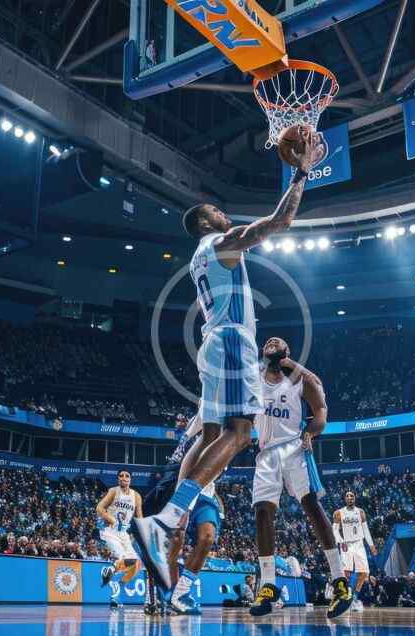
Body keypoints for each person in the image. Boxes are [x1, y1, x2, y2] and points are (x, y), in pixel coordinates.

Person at [132, 128, 323, 590]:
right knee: (240, 434)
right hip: (234, 342)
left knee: (211, 434)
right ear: (205, 222)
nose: (224, 213)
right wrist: (301, 172)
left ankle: (169, 520)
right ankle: (164, 522)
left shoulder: (199, 258)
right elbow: (280, 221)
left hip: (213, 345)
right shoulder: (220, 244)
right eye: (217, 211)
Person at [249, 337, 352, 619]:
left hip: (294, 447)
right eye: (268, 341)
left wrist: (311, 432)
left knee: (312, 507)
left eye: (278, 341)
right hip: (266, 452)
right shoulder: (254, 377)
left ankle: (340, 581)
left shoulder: (298, 379)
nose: (272, 340)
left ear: (287, 352)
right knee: (262, 513)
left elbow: (321, 409)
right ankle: (268, 585)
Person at [165, 410, 228, 615]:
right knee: (176, 539)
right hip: (185, 486)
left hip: (206, 493)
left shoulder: (232, 434)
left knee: (208, 537)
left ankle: (181, 592)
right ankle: (167, 589)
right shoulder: (203, 421)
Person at [96, 469, 143, 608]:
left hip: (124, 534)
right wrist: (111, 519)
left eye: (127, 476)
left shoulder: (136, 496)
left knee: (136, 565)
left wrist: (141, 534)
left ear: (130, 479)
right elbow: (99, 508)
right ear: (118, 479)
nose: (124, 478)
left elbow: (139, 518)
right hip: (111, 531)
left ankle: (116, 588)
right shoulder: (113, 491)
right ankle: (111, 569)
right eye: (121, 476)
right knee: (123, 557)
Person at [334, 490, 377, 612]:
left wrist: (371, 545)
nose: (349, 497)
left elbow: (366, 530)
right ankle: (344, 597)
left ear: (355, 498)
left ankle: (354, 597)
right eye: (347, 496)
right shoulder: (339, 513)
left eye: (351, 496)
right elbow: (335, 530)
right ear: (345, 499)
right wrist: (341, 541)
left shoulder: (360, 512)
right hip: (346, 544)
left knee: (364, 573)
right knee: (346, 573)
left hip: (359, 543)